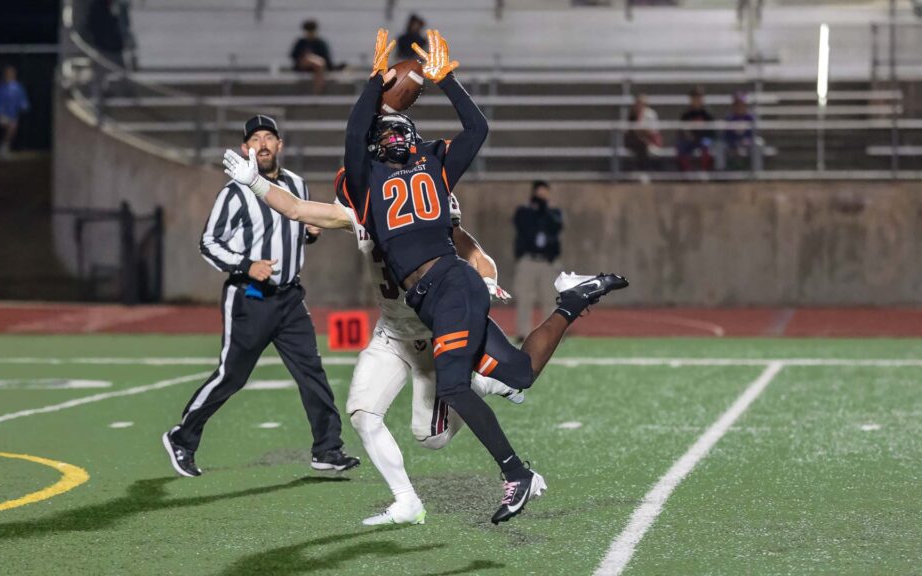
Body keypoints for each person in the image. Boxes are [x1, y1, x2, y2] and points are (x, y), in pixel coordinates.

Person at [223, 28, 628, 525]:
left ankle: (515, 471)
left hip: (445, 292)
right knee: (517, 375)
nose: (393, 135)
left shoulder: (410, 171)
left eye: (397, 131)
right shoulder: (388, 180)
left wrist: (412, 82)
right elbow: (309, 193)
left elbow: (405, 156)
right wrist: (259, 183)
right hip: (419, 307)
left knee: (450, 399)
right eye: (387, 132)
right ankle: (571, 301)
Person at [162, 115, 359, 478]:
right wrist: (245, 265)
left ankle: (327, 449)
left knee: (311, 373)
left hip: (290, 296)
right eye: (256, 139)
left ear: (280, 145)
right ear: (244, 149)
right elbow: (208, 242)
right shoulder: (234, 191)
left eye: (270, 137)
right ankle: (182, 437)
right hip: (250, 296)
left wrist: (311, 233)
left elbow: (297, 227)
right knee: (231, 376)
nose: (263, 144)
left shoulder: (297, 184)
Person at [512, 181, 564, 341]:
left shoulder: (554, 212)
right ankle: (523, 333)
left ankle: (551, 334)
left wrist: (545, 209)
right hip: (528, 260)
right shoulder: (524, 211)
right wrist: (534, 209)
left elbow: (556, 226)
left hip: (548, 261)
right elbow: (522, 225)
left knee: (550, 299)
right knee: (525, 298)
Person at [290, 20, 343, 95]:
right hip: (303, 66)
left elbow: (325, 59)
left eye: (311, 31)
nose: (309, 33)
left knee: (318, 63)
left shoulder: (320, 43)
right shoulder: (301, 42)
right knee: (312, 59)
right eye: (308, 31)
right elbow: (294, 56)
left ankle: (318, 92)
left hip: (318, 68)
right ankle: (318, 92)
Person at [0, 66, 30, 159]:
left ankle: (3, 149)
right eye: (7, 73)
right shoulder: (0, 88)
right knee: (10, 128)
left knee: (11, 130)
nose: (9, 75)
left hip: (13, 115)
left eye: (11, 73)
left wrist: (24, 106)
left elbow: (22, 100)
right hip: (2, 114)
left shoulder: (18, 87)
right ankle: (2, 149)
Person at [676, 86, 715, 172]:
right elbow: (681, 130)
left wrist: (702, 133)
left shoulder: (706, 113)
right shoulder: (687, 114)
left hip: (703, 139)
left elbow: (712, 130)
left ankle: (704, 171)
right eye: (694, 97)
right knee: (680, 146)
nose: (697, 100)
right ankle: (687, 172)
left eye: (699, 97)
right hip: (690, 140)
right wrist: (687, 134)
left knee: (706, 145)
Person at [624, 94, 663, 172]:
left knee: (642, 146)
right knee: (638, 144)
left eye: (642, 104)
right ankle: (641, 171)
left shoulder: (650, 114)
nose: (639, 106)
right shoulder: (632, 115)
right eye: (637, 103)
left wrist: (641, 130)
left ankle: (644, 171)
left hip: (650, 141)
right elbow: (628, 130)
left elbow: (652, 131)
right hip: (636, 141)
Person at [724, 91, 757, 170]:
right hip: (732, 146)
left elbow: (753, 134)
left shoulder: (750, 118)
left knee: (757, 145)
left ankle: (756, 173)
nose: (739, 106)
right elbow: (727, 136)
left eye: (742, 104)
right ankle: (723, 174)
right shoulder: (730, 118)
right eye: (737, 104)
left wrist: (747, 141)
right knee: (721, 146)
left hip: (747, 145)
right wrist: (735, 144)